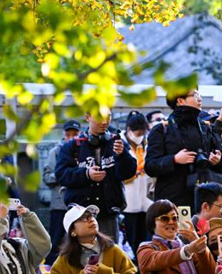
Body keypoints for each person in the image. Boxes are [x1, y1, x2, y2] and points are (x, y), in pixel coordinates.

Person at [56, 109, 136, 241]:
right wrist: (86, 174)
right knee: (81, 257)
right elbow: (61, 174)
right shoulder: (72, 146)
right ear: (87, 117)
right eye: (99, 117)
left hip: (108, 214)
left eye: (108, 117)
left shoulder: (117, 143)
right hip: (80, 215)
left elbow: (128, 173)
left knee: (110, 256)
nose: (104, 122)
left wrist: (122, 155)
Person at [145, 89, 222, 210]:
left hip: (205, 201)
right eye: (195, 95)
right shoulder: (162, 129)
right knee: (181, 229)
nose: (199, 99)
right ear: (180, 100)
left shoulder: (205, 128)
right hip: (173, 202)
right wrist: (174, 159)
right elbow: (150, 166)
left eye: (199, 95)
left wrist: (218, 161)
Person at [44, 120, 81, 264]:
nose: (71, 137)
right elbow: (47, 177)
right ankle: (52, 272)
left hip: (78, 206)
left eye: (75, 134)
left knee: (77, 240)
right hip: (59, 205)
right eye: (68, 134)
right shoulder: (56, 152)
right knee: (57, 240)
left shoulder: (83, 150)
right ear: (64, 135)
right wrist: (66, 175)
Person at [122, 111, 152, 254]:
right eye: (137, 133)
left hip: (147, 200)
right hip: (129, 200)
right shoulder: (121, 145)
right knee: (132, 237)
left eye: (142, 133)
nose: (140, 137)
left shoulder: (147, 144)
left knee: (146, 237)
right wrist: (132, 174)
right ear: (129, 130)